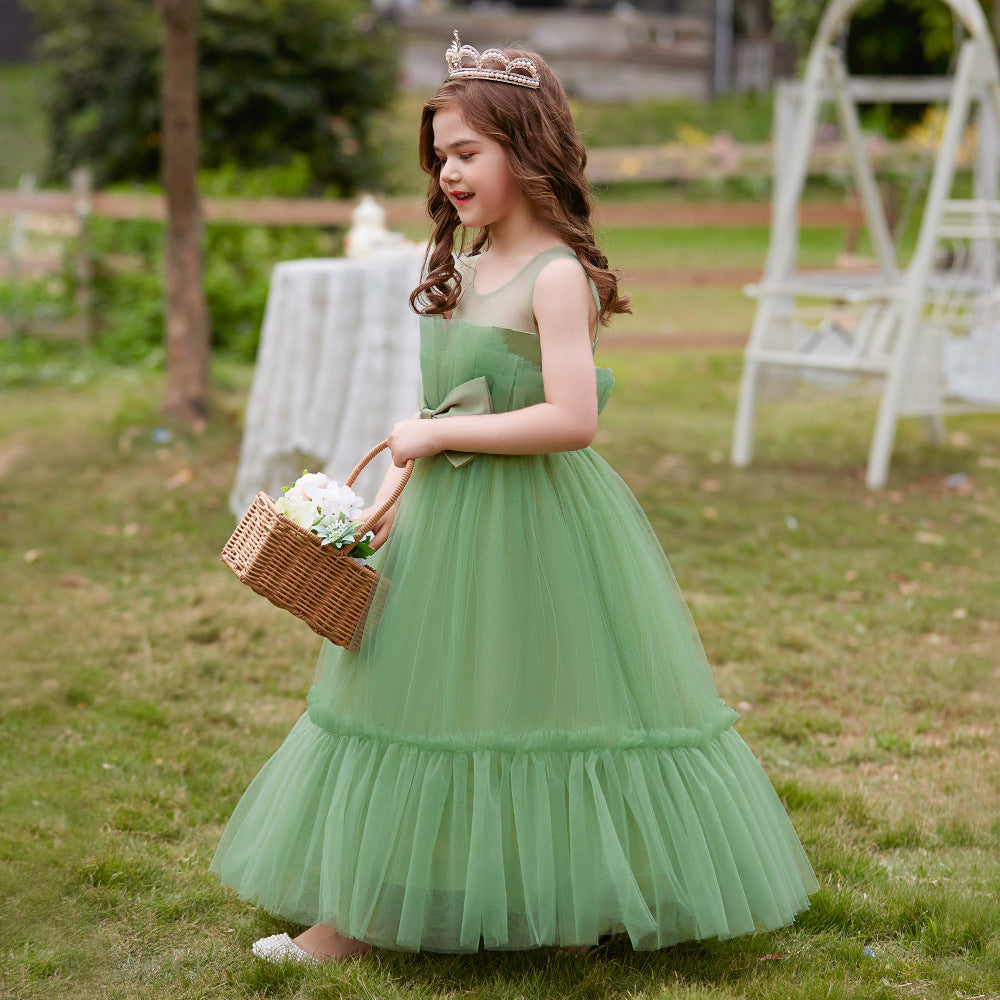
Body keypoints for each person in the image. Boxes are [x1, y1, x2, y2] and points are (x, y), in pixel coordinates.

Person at [210, 31, 818, 964]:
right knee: (415, 704)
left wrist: (440, 433)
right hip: (445, 524)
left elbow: (572, 418)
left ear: (525, 152)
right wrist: (387, 507)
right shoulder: (465, 266)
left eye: (467, 153)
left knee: (542, 699)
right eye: (441, 156)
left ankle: (571, 895)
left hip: (537, 523)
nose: (449, 173)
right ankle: (366, 918)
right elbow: (442, 404)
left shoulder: (556, 275)